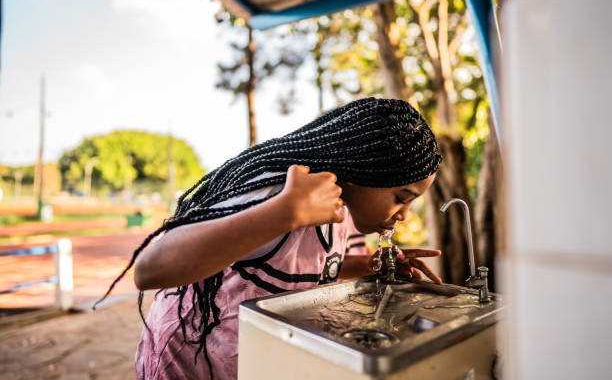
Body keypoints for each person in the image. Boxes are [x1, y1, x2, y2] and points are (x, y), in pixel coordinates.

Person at [96, 97, 444, 380]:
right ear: (364, 170)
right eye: (401, 198)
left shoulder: (337, 207)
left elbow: (299, 268)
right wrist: (285, 211)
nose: (404, 215)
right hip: (187, 361)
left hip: (236, 360)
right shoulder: (278, 190)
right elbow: (149, 270)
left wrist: (366, 265)